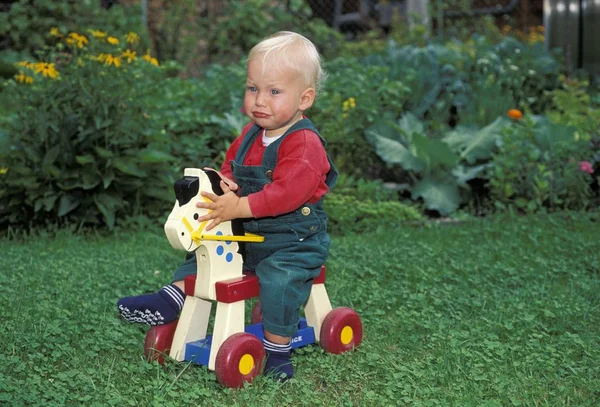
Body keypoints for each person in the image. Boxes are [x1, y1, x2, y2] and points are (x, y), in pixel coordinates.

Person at [117, 31, 338, 382]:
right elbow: (229, 170)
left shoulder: (305, 144)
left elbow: (286, 195)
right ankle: (171, 298)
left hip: (294, 242)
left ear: (304, 98)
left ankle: (278, 351)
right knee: (204, 254)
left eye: (274, 91)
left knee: (279, 279)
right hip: (249, 234)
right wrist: (221, 182)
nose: (259, 101)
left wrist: (238, 207)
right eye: (253, 88)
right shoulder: (249, 135)